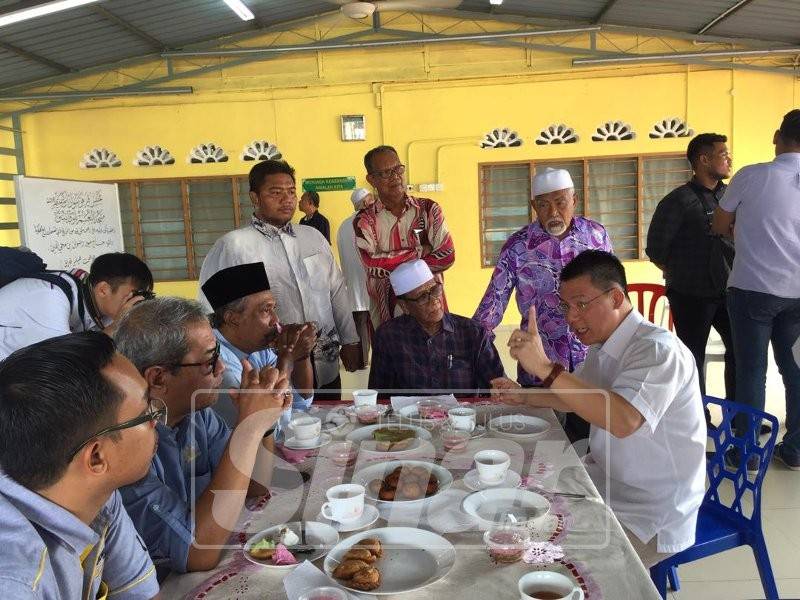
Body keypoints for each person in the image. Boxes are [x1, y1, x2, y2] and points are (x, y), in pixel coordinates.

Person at [492, 250, 705, 568]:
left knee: (554, 567)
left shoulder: (657, 351)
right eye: (566, 306)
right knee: (514, 511)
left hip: (650, 511)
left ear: (617, 297)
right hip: (604, 482)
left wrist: (547, 368)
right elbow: (574, 397)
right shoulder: (606, 345)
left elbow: (624, 420)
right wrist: (523, 396)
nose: (571, 318)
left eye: (581, 304)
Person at [114, 297, 292, 574]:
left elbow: (256, 487)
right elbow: (197, 553)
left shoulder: (198, 415)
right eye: (210, 361)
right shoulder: (123, 447)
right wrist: (248, 428)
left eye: (219, 353)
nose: (222, 368)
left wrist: (264, 422)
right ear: (158, 378)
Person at [0, 332, 160, 599]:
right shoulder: (16, 583)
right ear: (96, 456)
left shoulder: (95, 495)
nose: (157, 421)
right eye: (145, 414)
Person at [198, 159, 361, 397]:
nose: (287, 199)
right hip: (269, 369)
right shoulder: (234, 246)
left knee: (331, 425)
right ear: (255, 197)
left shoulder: (313, 237)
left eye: (291, 192)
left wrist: (350, 340)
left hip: (325, 361)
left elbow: (336, 291)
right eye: (276, 193)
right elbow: (210, 310)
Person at [474, 167, 612, 442]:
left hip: (592, 359)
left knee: (595, 443)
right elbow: (494, 301)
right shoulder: (517, 246)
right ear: (533, 206)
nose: (553, 213)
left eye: (560, 202)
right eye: (544, 205)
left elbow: (612, 290)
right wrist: (472, 340)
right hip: (539, 363)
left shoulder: (596, 236)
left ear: (574, 200)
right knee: (543, 445)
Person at [713, 109, 800, 471]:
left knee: (751, 371)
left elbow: (719, 224)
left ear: (777, 136)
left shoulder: (751, 176)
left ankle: (746, 452)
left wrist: (743, 229)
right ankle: (795, 450)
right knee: (795, 370)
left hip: (752, 290)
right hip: (797, 295)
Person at [646, 133, 736, 430]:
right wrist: (678, 273)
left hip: (728, 291)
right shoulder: (678, 201)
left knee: (738, 350)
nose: (729, 158)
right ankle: (699, 417)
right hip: (690, 295)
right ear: (703, 159)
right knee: (692, 357)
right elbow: (656, 249)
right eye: (723, 153)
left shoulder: (728, 196)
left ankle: (738, 418)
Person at [202, 261, 317, 432]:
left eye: (274, 309)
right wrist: (287, 357)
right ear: (233, 318)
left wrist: (301, 354)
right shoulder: (215, 362)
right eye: (266, 310)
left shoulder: (258, 350)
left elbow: (301, 404)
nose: (276, 320)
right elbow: (267, 427)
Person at [354, 145, 455, 328]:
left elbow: (447, 255)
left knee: (439, 354)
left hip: (434, 312)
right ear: (371, 180)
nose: (395, 176)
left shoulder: (428, 210)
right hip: (388, 316)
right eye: (385, 173)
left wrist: (392, 261)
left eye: (398, 169)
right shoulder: (364, 221)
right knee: (393, 355)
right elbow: (371, 264)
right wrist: (420, 252)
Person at [369, 259, 505, 395]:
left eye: (435, 289)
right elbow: (379, 398)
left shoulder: (473, 333)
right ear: (405, 306)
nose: (434, 300)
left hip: (463, 416)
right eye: (422, 297)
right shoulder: (389, 336)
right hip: (408, 416)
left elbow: (499, 387)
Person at [0, 251, 153, 360]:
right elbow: (68, 361)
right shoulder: (50, 297)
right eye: (132, 294)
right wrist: (116, 326)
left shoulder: (96, 306)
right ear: (103, 290)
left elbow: (121, 351)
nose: (134, 301)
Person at [337, 187, 374, 368]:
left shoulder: (344, 225)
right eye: (371, 199)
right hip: (371, 280)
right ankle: (380, 360)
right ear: (365, 203)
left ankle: (362, 362)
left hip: (352, 283)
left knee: (359, 322)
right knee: (376, 323)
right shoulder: (370, 221)